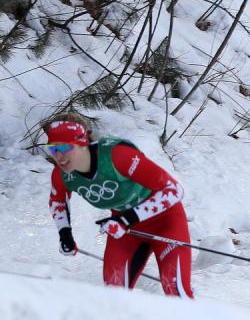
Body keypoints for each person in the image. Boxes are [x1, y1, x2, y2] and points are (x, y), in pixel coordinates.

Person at [45, 113, 193, 298]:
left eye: (65, 147)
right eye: (52, 149)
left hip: (165, 221)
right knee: (114, 296)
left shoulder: (117, 155)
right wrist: (65, 233)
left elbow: (173, 190)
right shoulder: (62, 175)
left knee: (176, 290)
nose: (58, 156)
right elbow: (57, 201)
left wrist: (127, 218)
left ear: (82, 143)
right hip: (126, 229)